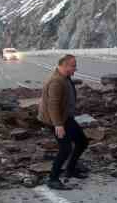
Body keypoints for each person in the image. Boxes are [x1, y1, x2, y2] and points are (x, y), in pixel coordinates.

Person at [38, 55, 89, 190]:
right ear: (64, 65)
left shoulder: (65, 77)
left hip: (66, 117)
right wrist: (58, 125)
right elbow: (52, 105)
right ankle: (53, 179)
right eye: (73, 66)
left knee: (82, 141)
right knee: (65, 148)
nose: (75, 69)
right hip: (56, 119)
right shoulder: (56, 81)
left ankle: (70, 169)